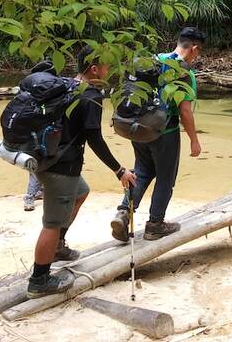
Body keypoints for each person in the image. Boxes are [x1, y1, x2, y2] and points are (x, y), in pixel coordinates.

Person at [27, 45, 136, 298]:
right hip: (61, 167)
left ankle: (58, 246)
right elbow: (94, 138)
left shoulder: (67, 85)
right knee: (51, 223)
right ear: (95, 68)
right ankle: (39, 280)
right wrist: (119, 170)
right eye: (107, 65)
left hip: (47, 158)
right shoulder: (91, 96)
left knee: (81, 191)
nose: (109, 70)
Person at [111, 27, 205, 242]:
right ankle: (155, 224)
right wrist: (194, 140)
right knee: (165, 178)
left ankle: (124, 212)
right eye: (198, 53)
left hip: (138, 129)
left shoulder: (151, 61)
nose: (197, 56)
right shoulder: (183, 72)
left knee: (142, 172)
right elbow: (184, 110)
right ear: (194, 48)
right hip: (165, 132)